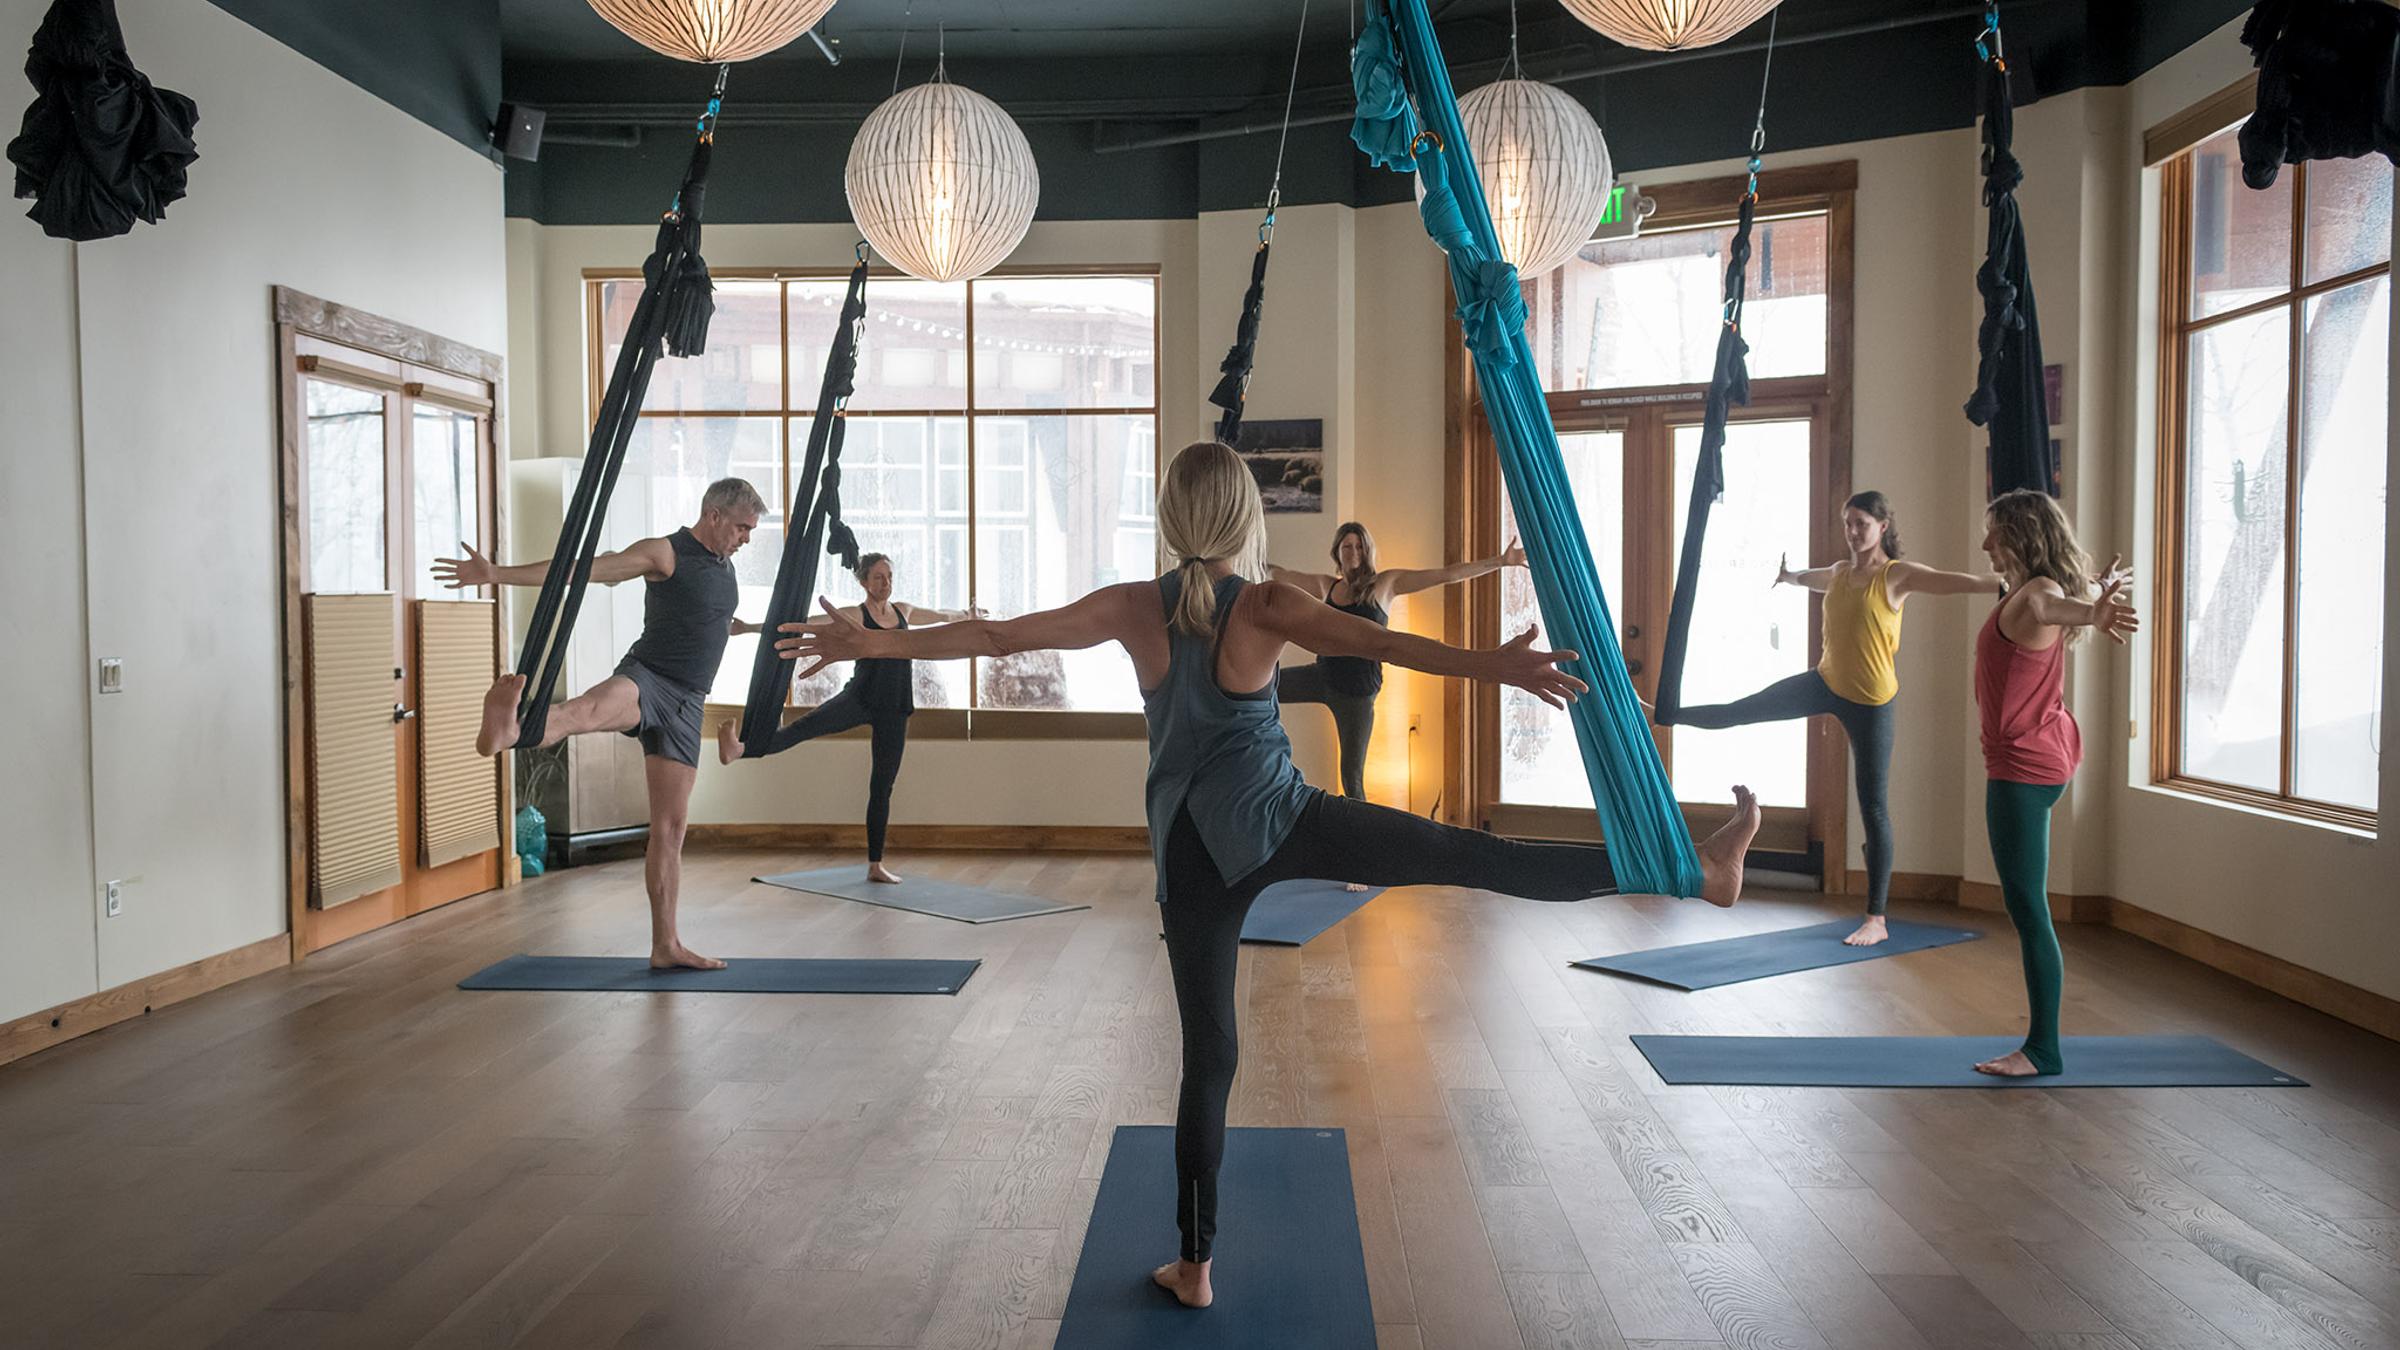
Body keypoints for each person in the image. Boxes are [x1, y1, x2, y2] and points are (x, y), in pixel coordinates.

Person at [775, 441, 1761, 1309]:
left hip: (1191, 858)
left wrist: (875, 639)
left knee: (1212, 1060)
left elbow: (996, 638)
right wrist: (1492, 671)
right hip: (1288, 824)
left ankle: (1195, 1266)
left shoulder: (1133, 607)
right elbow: (1375, 643)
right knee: (1476, 857)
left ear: (1169, 522)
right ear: (1245, 518)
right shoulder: (1269, 604)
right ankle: (1688, 872)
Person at [1658, 490, 2013, 947]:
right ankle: (1664, 714)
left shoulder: (1896, 575)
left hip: (1873, 703)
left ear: (1883, 526)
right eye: (1847, 522)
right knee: (1741, 710)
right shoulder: (1841, 573)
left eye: (1861, 523)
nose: (1852, 531)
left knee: (1874, 807)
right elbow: (1811, 577)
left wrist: (2008, 582)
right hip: (1825, 682)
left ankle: (1876, 918)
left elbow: (1953, 581)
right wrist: (1787, 576)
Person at [439, 477, 766, 971]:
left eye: (750, 532)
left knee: (671, 828)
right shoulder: (664, 553)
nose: (745, 539)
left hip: (689, 704)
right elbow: (583, 570)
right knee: (586, 712)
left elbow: (713, 621)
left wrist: (749, 628)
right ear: (714, 515)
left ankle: (666, 944)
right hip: (649, 678)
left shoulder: (725, 569)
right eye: (742, 528)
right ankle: (510, 729)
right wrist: (496, 573)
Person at [1971, 489, 2136, 1077]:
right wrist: (2093, 591)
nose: (1986, 542)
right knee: (2028, 905)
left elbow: (2051, 608)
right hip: (2047, 752)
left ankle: (2042, 1050)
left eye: (1994, 532)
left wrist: (2090, 611)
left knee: (2028, 909)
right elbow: (2061, 600)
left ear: (2021, 534)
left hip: (2020, 767)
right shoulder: (2031, 587)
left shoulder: (2037, 594)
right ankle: (2042, 1045)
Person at [715, 552, 977, 884]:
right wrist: (751, 628)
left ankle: (875, 864)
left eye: (890, 577)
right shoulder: (856, 614)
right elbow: (807, 624)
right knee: (803, 728)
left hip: (895, 708)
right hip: (860, 699)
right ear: (864, 582)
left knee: (882, 786)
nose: (886, 583)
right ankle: (741, 748)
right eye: (879, 577)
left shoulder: (903, 611)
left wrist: (967, 616)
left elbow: (939, 616)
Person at [1266, 524, 1527, 801]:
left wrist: (1500, 561)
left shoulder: (1385, 584)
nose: (1353, 552)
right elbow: (1279, 573)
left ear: (1368, 551)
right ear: (1337, 552)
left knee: (1351, 778)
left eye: (1359, 546)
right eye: (1346, 546)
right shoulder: (1325, 585)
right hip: (1322, 676)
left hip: (1356, 694)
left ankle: (1362, 840)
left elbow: (1446, 574)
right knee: (1264, 685)